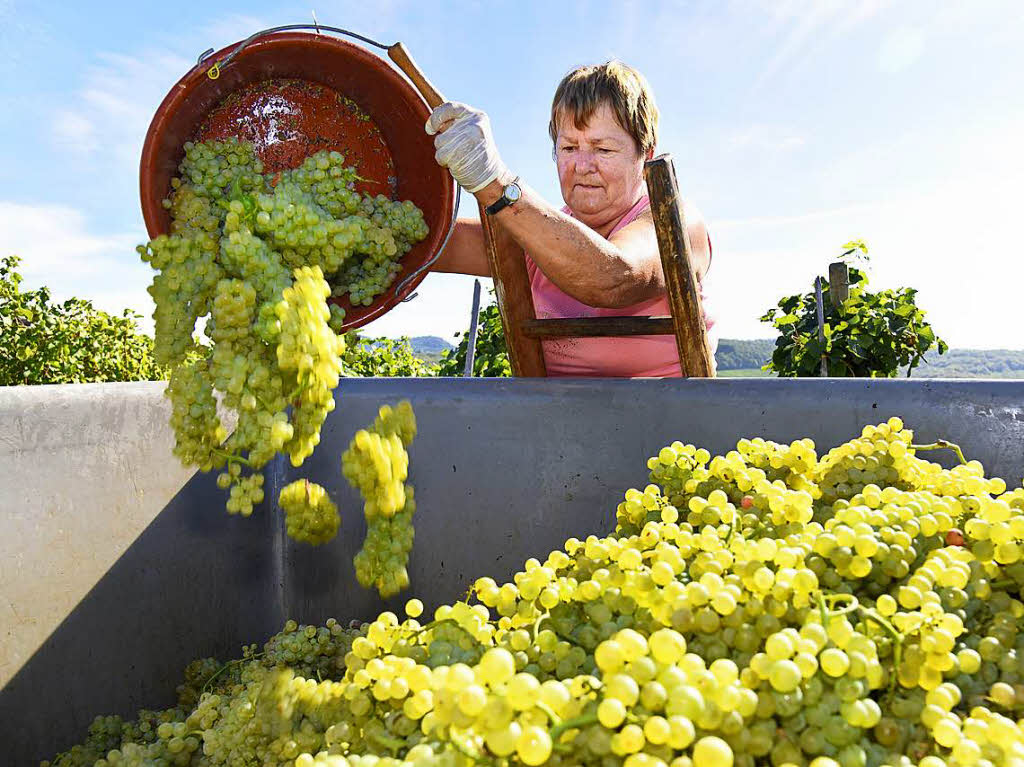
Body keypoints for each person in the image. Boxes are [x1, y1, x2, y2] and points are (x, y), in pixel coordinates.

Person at [425, 60, 717, 377]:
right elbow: (427, 242)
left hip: (675, 421)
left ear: (644, 155)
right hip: (558, 423)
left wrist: (496, 184)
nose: (582, 165)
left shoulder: (676, 222)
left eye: (603, 149)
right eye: (568, 147)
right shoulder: (532, 231)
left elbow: (616, 277)